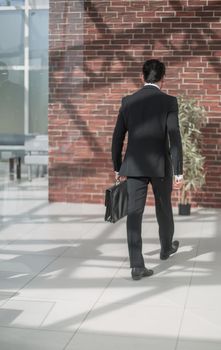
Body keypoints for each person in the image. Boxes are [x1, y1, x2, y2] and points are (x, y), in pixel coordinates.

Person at [111, 59, 183, 281]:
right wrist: (178, 171)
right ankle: (165, 248)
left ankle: (137, 265)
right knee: (164, 208)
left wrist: (117, 167)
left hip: (133, 166)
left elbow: (117, 138)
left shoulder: (128, 101)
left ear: (142, 77)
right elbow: (175, 138)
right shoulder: (169, 101)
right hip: (161, 166)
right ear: (163, 78)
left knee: (135, 213)